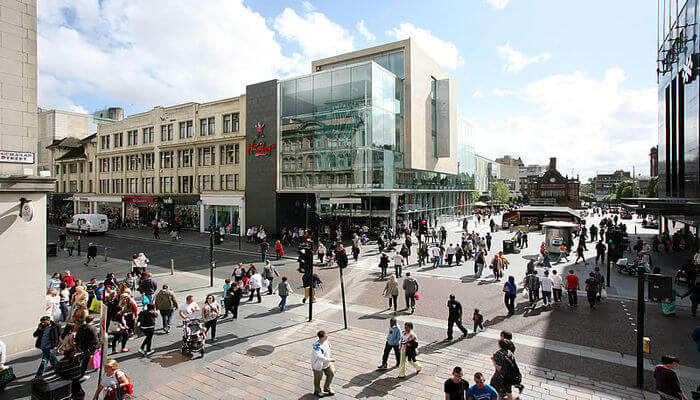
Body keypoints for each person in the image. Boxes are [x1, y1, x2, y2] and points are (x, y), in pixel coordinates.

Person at [311, 330, 335, 397]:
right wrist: (330, 359)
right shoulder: (317, 347)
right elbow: (319, 357)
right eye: (325, 335)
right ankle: (317, 391)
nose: (327, 335)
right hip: (318, 364)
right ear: (322, 337)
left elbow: (329, 347)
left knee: (331, 373)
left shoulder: (326, 341)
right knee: (318, 378)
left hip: (326, 363)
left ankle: (327, 388)